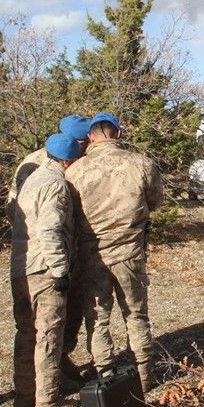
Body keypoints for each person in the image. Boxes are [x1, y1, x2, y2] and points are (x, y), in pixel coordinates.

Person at [65, 112, 164, 392]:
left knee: (98, 319)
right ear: (118, 134)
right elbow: (155, 201)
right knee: (136, 314)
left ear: (90, 137)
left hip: (92, 255)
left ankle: (105, 376)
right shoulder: (142, 164)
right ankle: (144, 376)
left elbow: (68, 214)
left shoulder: (74, 171)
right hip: (130, 253)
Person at [5, 114, 92, 387]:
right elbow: (19, 210)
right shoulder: (36, 165)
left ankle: (56, 366)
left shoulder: (72, 160)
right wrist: (51, 255)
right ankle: (42, 386)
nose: (86, 147)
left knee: (69, 314)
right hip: (46, 255)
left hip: (62, 251)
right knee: (44, 324)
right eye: (83, 143)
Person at [10, 133, 82, 407]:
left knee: (25, 332)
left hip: (20, 266)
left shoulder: (32, 179)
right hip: (43, 269)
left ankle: (24, 394)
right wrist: (60, 269)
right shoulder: (56, 184)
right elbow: (50, 229)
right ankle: (48, 402)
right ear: (67, 161)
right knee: (49, 336)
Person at [6, 114, 91, 221]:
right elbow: (15, 204)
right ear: (69, 141)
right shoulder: (35, 161)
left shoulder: (77, 159)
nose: (87, 148)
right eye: (83, 144)